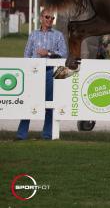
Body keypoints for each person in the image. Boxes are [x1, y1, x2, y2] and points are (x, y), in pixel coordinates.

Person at [16, 9, 67, 140]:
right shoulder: (33, 35)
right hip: (33, 73)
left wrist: (48, 53)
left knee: (50, 104)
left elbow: (64, 54)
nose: (50, 20)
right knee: (29, 102)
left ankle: (47, 135)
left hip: (51, 72)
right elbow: (26, 54)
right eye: (47, 17)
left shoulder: (58, 35)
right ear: (41, 18)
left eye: (52, 18)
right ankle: (21, 134)